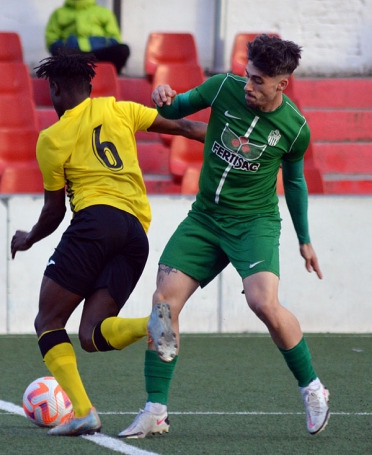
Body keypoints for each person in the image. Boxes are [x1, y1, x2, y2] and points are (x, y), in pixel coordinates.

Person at [118, 34, 330, 439]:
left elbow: (296, 181)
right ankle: (155, 410)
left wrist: (304, 238)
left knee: (263, 303)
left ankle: (313, 389)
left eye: (259, 80)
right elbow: (174, 107)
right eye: (248, 75)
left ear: (281, 84)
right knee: (163, 303)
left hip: (254, 223)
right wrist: (163, 95)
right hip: (204, 219)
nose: (248, 85)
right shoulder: (222, 87)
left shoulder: (295, 129)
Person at [10, 50, 206, 436]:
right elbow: (184, 127)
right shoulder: (122, 110)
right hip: (135, 233)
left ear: (55, 90)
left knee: (48, 321)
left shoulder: (52, 138)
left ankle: (83, 412)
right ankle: (149, 323)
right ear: (90, 86)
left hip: (95, 223)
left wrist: (29, 237)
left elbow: (53, 213)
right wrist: (230, 145)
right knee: (91, 336)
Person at [45, 0, 130, 74]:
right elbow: (51, 40)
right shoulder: (58, 13)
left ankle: (102, 71)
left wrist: (98, 42)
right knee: (58, 50)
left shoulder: (104, 12)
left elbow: (114, 38)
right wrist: (68, 43)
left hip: (99, 54)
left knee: (123, 49)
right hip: (73, 53)